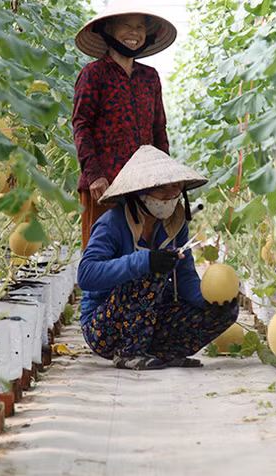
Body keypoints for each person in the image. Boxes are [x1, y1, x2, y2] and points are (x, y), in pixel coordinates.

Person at [77, 145, 240, 370]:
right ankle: (128, 353)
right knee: (148, 270)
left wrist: (210, 301)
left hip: (149, 322)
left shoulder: (175, 224)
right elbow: (86, 275)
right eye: (161, 188)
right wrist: (144, 261)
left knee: (225, 310)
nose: (171, 194)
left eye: (176, 187)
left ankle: (166, 353)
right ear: (139, 192)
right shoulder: (112, 224)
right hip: (104, 328)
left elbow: (185, 279)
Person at [72, 0, 178, 251]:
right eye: (127, 26)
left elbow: (158, 130)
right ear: (108, 30)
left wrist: (166, 178)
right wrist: (94, 175)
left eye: (140, 27)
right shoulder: (93, 74)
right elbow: (81, 125)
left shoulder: (149, 77)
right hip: (104, 188)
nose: (134, 33)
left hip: (143, 187)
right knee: (102, 258)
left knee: (141, 259)